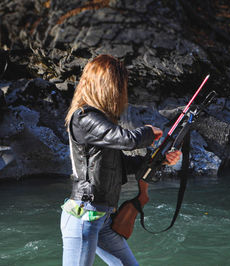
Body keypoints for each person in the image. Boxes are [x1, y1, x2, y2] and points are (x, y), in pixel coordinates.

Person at [61, 54, 181, 266]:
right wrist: (147, 132)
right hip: (84, 217)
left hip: (102, 218)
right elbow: (126, 140)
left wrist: (161, 160)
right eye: (119, 85)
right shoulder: (84, 117)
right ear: (106, 85)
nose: (122, 92)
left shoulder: (99, 121)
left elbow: (122, 165)